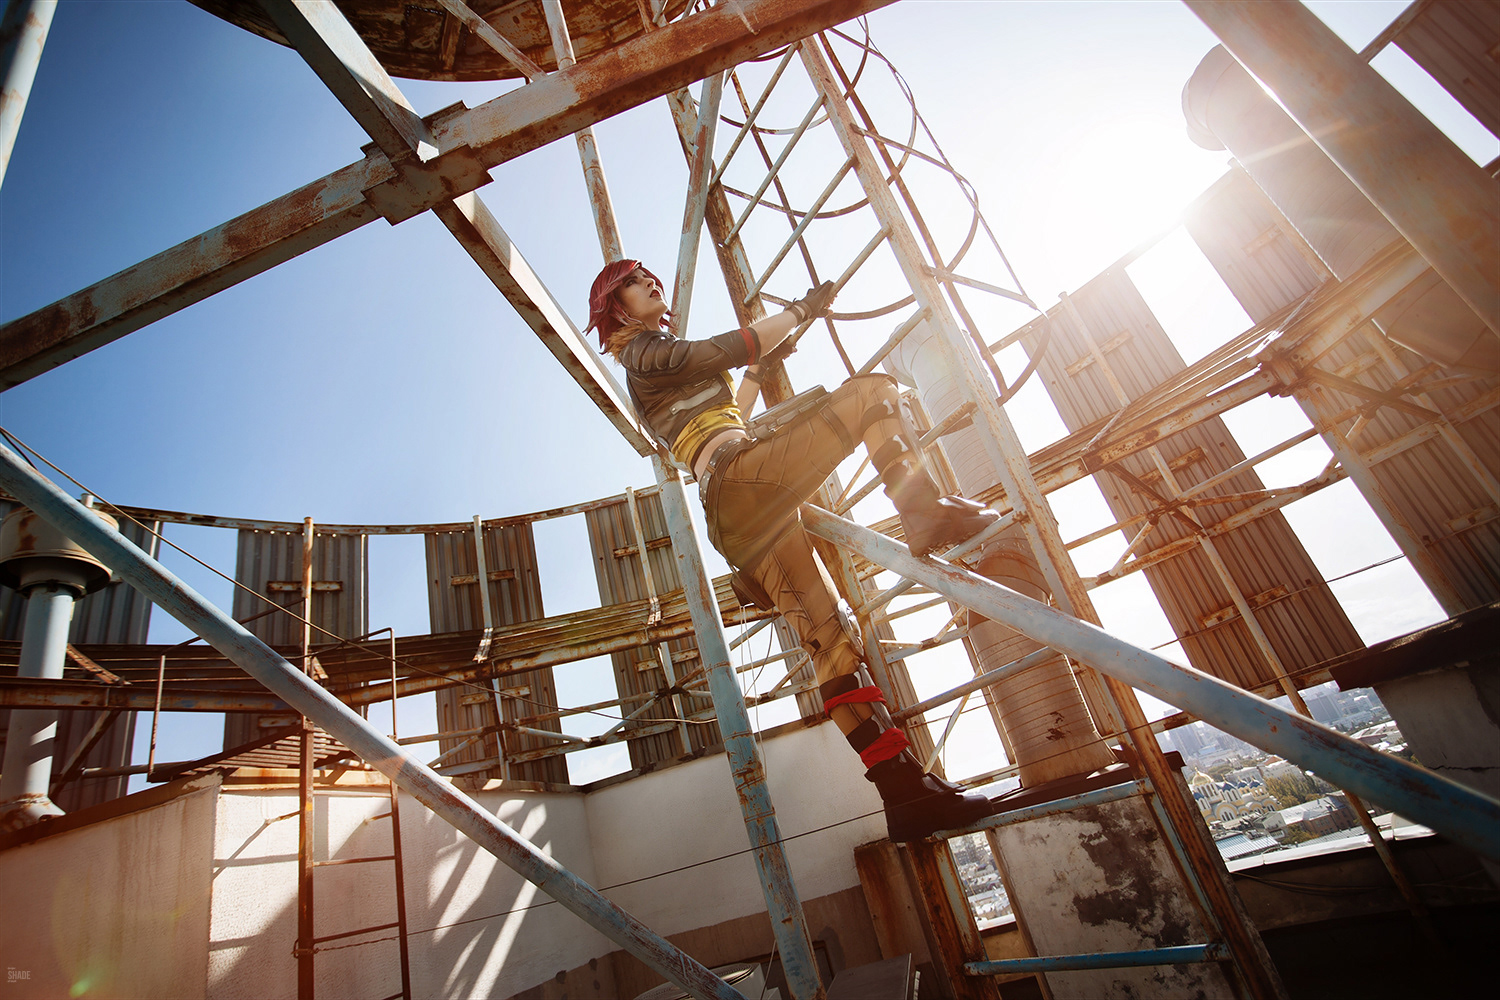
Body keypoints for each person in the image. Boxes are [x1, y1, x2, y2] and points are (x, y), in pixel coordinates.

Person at [587, 259, 996, 841]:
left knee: (831, 647)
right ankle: (922, 507)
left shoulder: (661, 365)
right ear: (616, 307)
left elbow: (731, 409)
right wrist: (800, 311)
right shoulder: (642, 353)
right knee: (873, 392)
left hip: (740, 511)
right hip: (741, 483)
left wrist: (762, 364)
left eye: (650, 275)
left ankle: (903, 793)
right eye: (633, 281)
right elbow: (724, 349)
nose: (651, 282)